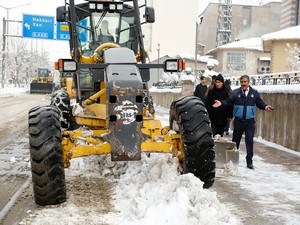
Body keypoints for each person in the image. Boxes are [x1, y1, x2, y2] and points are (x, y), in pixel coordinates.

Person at [213, 75, 273, 169]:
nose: (243, 84)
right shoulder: (236, 93)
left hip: (250, 122)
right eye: (241, 82)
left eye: (245, 82)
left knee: (249, 142)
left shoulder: (254, 93)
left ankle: (249, 162)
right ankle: (232, 161)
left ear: (248, 82)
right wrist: (221, 103)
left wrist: (265, 107)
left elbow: (260, 103)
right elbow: (229, 101)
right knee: (235, 142)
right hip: (238, 122)